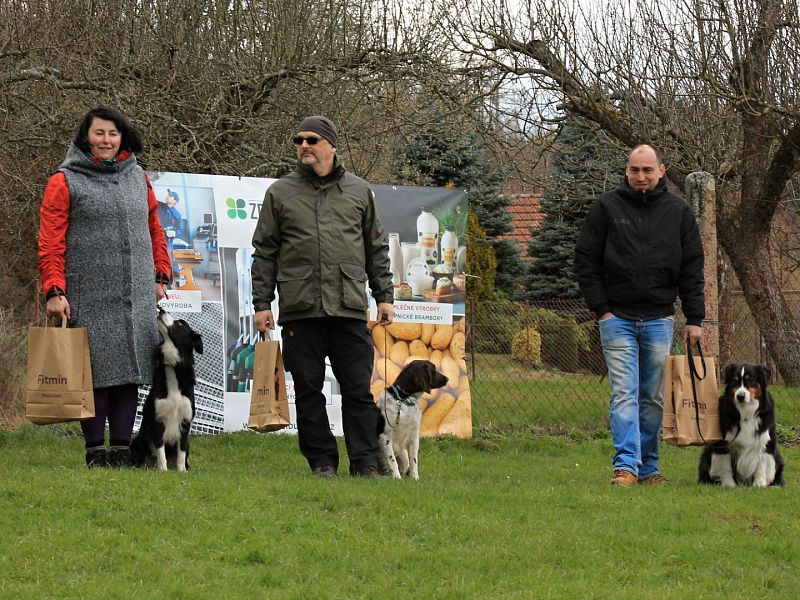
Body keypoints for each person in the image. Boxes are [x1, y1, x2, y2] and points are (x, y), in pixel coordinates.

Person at [251, 115, 394, 479]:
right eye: (298, 140)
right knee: (310, 392)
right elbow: (264, 252)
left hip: (348, 307)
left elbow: (375, 248)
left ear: (331, 145)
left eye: (311, 140)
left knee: (358, 391)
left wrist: (384, 296)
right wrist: (262, 304)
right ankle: (322, 463)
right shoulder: (280, 193)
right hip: (301, 309)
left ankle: (365, 462)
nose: (303, 146)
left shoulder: (359, 191)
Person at [38, 107, 172, 468]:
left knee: (130, 369)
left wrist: (160, 274)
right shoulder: (64, 181)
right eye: (99, 133)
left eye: (113, 134)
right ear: (85, 137)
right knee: (94, 371)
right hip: (87, 290)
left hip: (135, 292)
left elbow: (154, 228)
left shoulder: (138, 177)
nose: (106, 140)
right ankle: (96, 450)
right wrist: (54, 290)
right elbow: (51, 239)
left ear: (122, 138)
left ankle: (123, 451)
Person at [574, 144, 704, 486]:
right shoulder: (606, 208)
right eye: (635, 170)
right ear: (627, 171)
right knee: (623, 394)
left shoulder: (679, 212)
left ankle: (649, 468)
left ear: (662, 170)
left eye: (648, 170)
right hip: (617, 319)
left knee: (652, 396)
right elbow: (585, 262)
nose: (641, 177)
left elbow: (692, 268)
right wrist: (602, 311)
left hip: (660, 319)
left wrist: (694, 318)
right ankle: (626, 467)